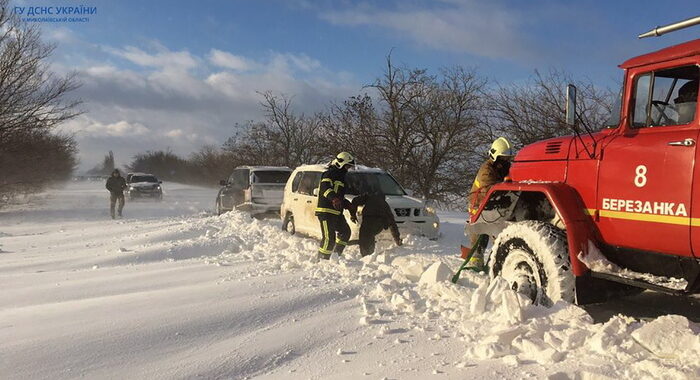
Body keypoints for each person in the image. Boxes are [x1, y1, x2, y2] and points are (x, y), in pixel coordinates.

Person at [461, 137, 514, 267]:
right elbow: (489, 189)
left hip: (494, 206)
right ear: (495, 156)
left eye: (508, 159)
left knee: (497, 235)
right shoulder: (487, 170)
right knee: (479, 235)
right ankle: (475, 263)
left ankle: (497, 263)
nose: (506, 161)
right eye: (503, 158)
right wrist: (506, 186)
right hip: (479, 206)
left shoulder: (504, 168)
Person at [315, 152, 355, 260]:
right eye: (347, 166)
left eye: (349, 167)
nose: (347, 169)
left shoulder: (342, 178)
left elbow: (340, 196)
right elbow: (325, 188)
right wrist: (334, 198)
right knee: (329, 238)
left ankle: (335, 256)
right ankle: (322, 260)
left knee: (345, 232)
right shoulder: (328, 174)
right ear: (340, 163)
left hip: (337, 212)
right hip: (326, 211)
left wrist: (347, 204)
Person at [350, 188, 402, 257]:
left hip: (368, 221)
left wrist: (353, 214)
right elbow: (392, 223)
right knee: (370, 235)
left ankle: (366, 255)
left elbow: (355, 201)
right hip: (379, 224)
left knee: (364, 237)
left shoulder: (369, 197)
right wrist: (397, 239)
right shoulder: (385, 205)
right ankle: (370, 254)